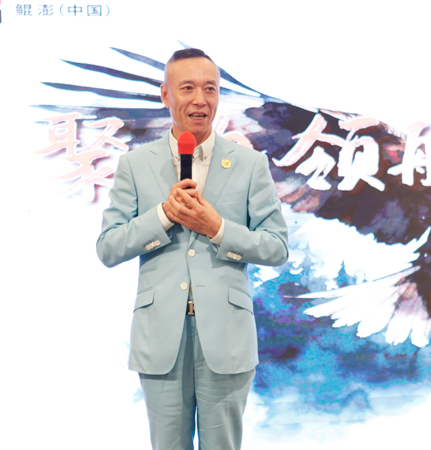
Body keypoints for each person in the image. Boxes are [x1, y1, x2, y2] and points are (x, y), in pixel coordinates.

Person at [96, 48, 289, 450]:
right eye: (187, 88)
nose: (200, 100)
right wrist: (163, 215)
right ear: (165, 95)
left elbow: (276, 247)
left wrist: (217, 229)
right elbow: (109, 247)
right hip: (160, 336)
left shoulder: (250, 164)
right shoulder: (136, 164)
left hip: (227, 336)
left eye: (210, 89)